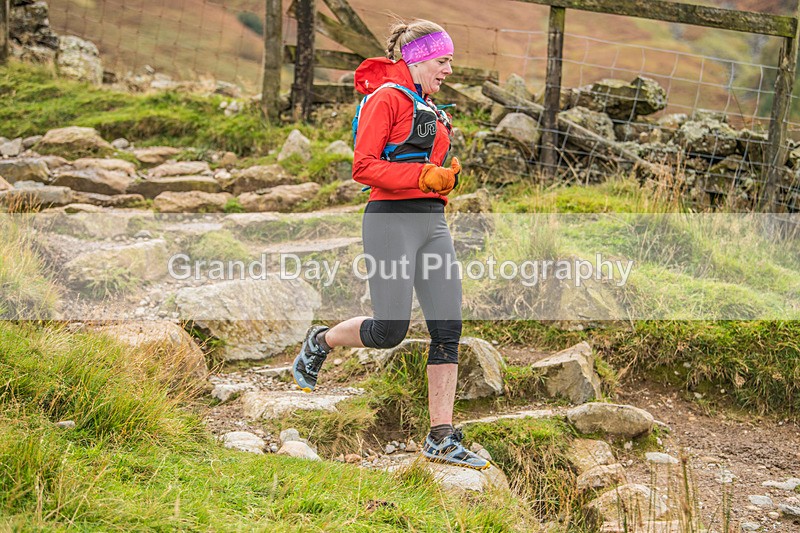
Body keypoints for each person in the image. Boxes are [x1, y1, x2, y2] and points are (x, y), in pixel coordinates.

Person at [292, 19, 489, 471]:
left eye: (451, 62)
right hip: (390, 223)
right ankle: (320, 341)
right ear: (418, 57)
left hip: (432, 222)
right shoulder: (385, 98)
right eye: (443, 61)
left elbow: (425, 167)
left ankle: (441, 435)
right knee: (390, 331)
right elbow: (363, 166)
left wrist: (444, 178)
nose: (448, 71)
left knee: (448, 327)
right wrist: (421, 176)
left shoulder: (431, 107)